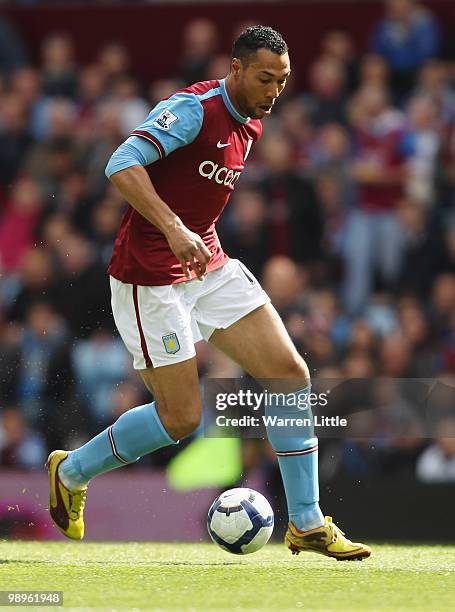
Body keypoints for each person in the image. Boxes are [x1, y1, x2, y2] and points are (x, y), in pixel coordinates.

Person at [46, 25, 370, 561]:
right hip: (149, 276)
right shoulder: (194, 108)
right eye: (265, 78)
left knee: (289, 374)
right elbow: (120, 164)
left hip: (208, 264)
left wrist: (190, 236)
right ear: (236, 69)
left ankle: (308, 522)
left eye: (284, 81)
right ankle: (72, 470)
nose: (275, 91)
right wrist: (174, 228)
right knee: (180, 419)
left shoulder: (251, 125)